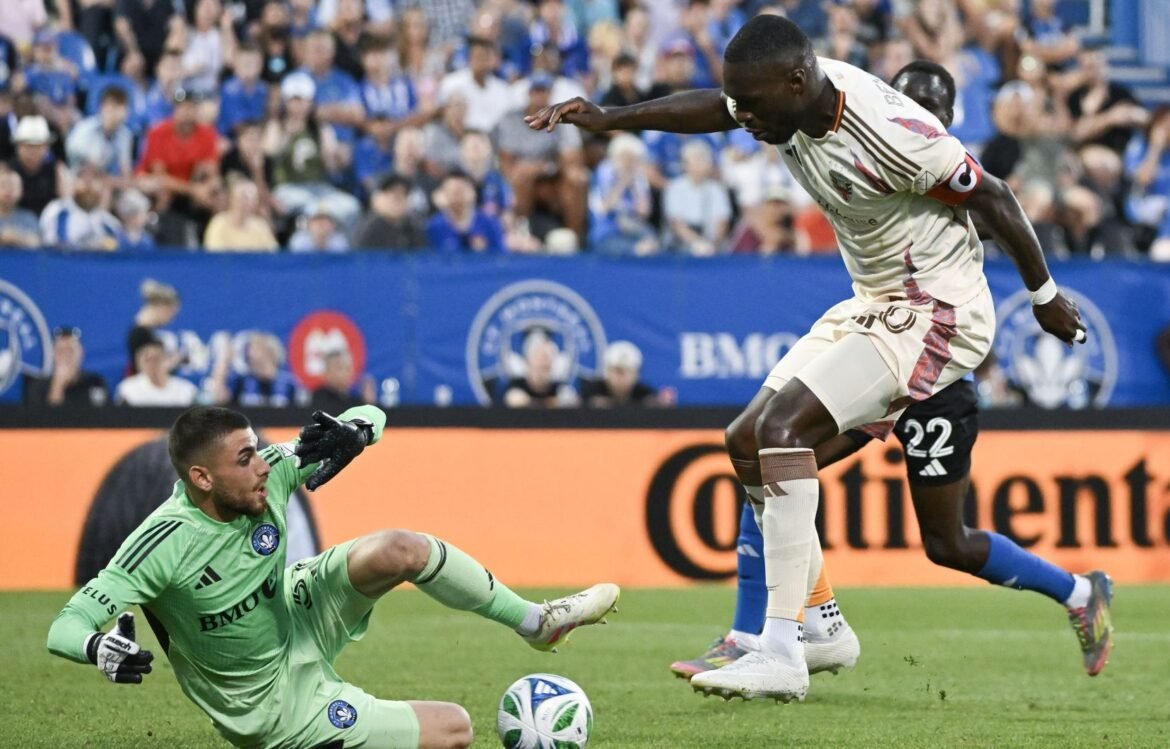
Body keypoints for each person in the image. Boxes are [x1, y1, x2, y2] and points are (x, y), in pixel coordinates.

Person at [528, 16, 1096, 703]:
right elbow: (718, 105)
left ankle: (780, 647)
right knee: (746, 442)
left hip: (939, 312)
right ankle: (819, 623)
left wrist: (1043, 296)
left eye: (757, 106)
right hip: (877, 301)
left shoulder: (894, 134)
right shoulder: (782, 100)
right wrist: (613, 118)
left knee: (792, 439)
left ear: (798, 82)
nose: (747, 120)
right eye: (744, 106)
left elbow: (997, 197)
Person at [670, 58, 1115, 689]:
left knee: (947, 543)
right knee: (774, 446)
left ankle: (1077, 591)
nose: (923, 115)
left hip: (938, 374)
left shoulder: (937, 163)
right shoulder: (871, 140)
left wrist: (1041, 293)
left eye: (936, 108)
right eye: (912, 102)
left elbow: (989, 221)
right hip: (883, 337)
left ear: (951, 118)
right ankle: (773, 631)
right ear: (888, 98)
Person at [47, 404, 619, 749]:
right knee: (455, 729)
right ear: (201, 477)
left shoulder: (266, 476)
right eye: (244, 458)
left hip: (293, 607)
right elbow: (66, 625)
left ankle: (536, 624)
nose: (263, 464)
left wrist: (358, 433)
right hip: (269, 702)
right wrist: (98, 647)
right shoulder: (161, 544)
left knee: (401, 549)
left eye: (256, 449)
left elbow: (371, 414)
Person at [40, 163, 122, 250]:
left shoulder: (108, 221)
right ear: (73, 183)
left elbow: (121, 247)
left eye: (94, 178)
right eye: (82, 177)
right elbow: (51, 247)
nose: (88, 183)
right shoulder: (57, 210)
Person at [23, 326, 108, 407]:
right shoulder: (37, 388)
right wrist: (57, 386)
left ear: (81, 353)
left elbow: (103, 417)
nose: (66, 357)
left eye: (70, 351)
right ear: (53, 355)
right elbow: (43, 420)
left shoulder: (94, 383)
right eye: (61, 351)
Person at [116, 338, 199, 407]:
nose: (152, 364)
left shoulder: (186, 390)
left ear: (166, 360)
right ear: (139, 362)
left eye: (156, 359)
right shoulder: (128, 390)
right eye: (147, 360)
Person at [578, 341, 662, 407]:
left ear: (637, 374)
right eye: (617, 371)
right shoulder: (590, 393)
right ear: (607, 371)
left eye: (627, 371)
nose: (621, 378)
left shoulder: (646, 396)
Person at [310, 349, 376, 412]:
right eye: (340, 367)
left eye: (348, 367)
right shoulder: (319, 399)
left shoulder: (353, 402)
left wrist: (369, 403)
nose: (347, 372)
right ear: (326, 373)